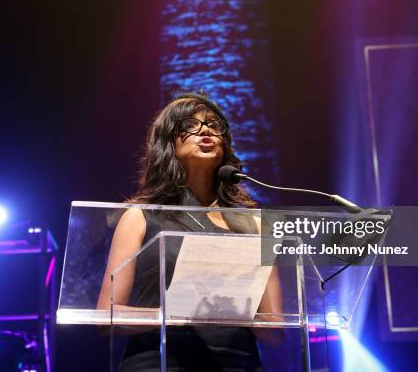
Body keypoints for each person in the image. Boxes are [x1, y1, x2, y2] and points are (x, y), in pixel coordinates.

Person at [97, 91, 282, 371]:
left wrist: (237, 310)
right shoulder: (140, 217)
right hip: (159, 362)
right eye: (189, 125)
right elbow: (106, 316)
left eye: (213, 124)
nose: (205, 129)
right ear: (168, 143)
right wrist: (176, 313)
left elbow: (275, 330)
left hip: (236, 364)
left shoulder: (254, 224)